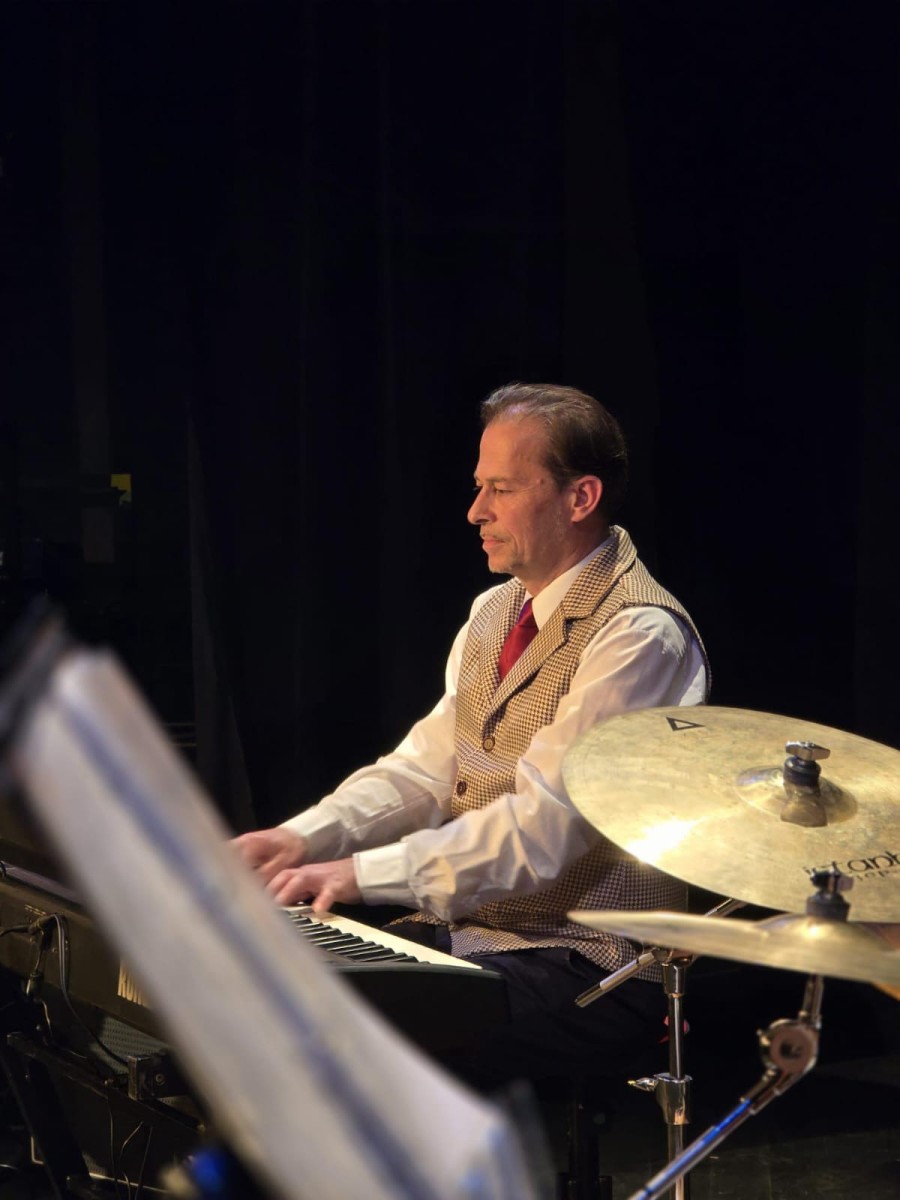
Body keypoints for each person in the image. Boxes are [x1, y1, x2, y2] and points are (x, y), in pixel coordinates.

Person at [234, 382, 709, 1090]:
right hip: (477, 939)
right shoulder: (494, 611)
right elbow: (422, 773)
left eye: (501, 490)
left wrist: (357, 875)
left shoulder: (638, 634)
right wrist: (298, 839)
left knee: (331, 1050)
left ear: (580, 498)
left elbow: (544, 829)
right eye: (479, 487)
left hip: (592, 964)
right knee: (257, 999)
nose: (475, 511)